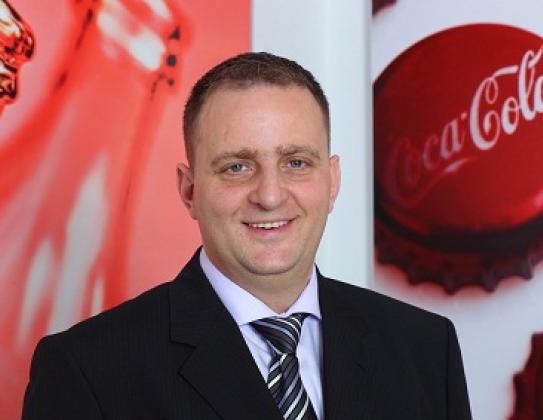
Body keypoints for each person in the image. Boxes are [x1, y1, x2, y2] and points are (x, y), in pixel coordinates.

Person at [21, 52, 472, 420]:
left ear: (332, 181)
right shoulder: (88, 369)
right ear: (189, 190)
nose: (270, 196)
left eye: (296, 163)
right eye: (237, 167)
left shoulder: (426, 349)